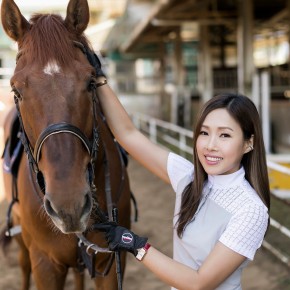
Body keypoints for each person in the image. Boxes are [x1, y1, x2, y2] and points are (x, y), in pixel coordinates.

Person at [92, 60, 270, 289]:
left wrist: (135, 245)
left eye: (225, 135)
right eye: (204, 133)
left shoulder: (251, 210)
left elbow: (199, 283)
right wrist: (99, 79)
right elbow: (128, 136)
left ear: (248, 143)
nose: (210, 145)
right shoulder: (188, 177)